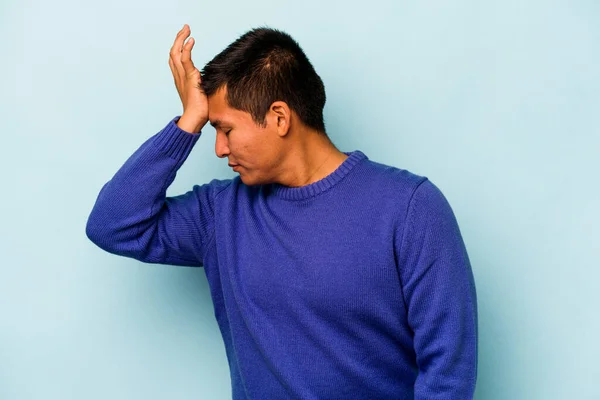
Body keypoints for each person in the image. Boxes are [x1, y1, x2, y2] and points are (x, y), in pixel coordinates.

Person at [86, 23, 478, 399]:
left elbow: (448, 369)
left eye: (225, 129)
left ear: (278, 117)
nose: (219, 149)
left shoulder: (411, 207)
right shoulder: (219, 215)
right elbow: (113, 225)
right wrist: (188, 123)